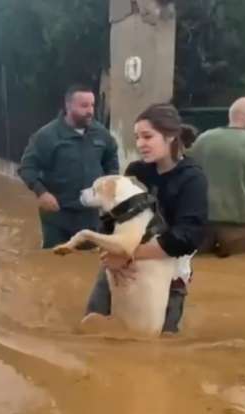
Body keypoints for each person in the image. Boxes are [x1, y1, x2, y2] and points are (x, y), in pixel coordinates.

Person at [85, 103, 208, 334]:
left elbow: (188, 237)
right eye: (137, 137)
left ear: (171, 136)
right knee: (92, 330)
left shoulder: (192, 179)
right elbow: (112, 219)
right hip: (118, 266)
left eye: (147, 136)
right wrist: (107, 253)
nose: (140, 143)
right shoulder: (136, 171)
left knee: (159, 345)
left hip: (166, 273)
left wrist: (126, 254)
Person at [18, 84, 120, 249]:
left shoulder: (101, 133)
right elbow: (27, 167)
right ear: (68, 105)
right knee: (56, 263)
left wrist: (109, 186)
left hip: (90, 215)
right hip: (58, 215)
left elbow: (111, 160)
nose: (90, 111)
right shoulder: (47, 136)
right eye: (84, 105)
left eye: (92, 105)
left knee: (85, 264)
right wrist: (41, 193)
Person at [187, 97, 245, 257]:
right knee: (237, 267)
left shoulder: (203, 139)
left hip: (200, 221)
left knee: (198, 270)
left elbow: (188, 173)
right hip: (237, 225)